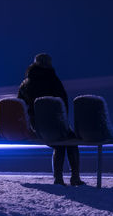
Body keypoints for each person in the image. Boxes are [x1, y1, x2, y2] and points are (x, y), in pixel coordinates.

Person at [18, 53, 85, 186]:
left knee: (60, 143)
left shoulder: (25, 83)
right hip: (54, 125)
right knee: (70, 140)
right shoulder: (54, 80)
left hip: (36, 126)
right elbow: (63, 104)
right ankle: (74, 177)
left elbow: (20, 105)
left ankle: (59, 179)